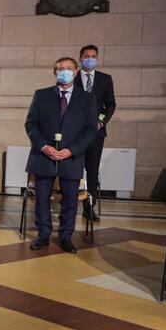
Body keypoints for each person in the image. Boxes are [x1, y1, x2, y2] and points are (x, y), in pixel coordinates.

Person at [25, 57, 97, 253]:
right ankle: (43, 235)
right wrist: (43, 146)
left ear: (76, 72)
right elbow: (31, 124)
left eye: (69, 68)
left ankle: (66, 236)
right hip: (44, 156)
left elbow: (91, 130)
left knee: (70, 200)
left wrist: (72, 150)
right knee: (41, 198)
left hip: (71, 157)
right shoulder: (42, 95)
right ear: (55, 72)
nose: (64, 71)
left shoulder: (87, 98)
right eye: (60, 69)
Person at [78, 44, 115, 222]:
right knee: (73, 168)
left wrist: (102, 121)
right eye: (87, 56)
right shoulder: (73, 77)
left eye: (93, 56)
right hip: (74, 133)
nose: (90, 59)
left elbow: (111, 104)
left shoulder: (105, 79)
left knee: (92, 170)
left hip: (96, 133)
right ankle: (69, 202)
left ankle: (89, 207)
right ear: (80, 58)